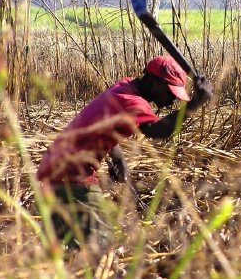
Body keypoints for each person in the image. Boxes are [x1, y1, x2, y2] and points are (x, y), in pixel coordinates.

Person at [36, 55, 213, 254]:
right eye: (170, 92)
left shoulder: (124, 86)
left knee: (62, 245)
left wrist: (117, 156)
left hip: (55, 169)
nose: (172, 99)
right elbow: (158, 131)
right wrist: (194, 105)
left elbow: (103, 121)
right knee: (102, 243)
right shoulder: (133, 101)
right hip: (73, 176)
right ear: (154, 81)